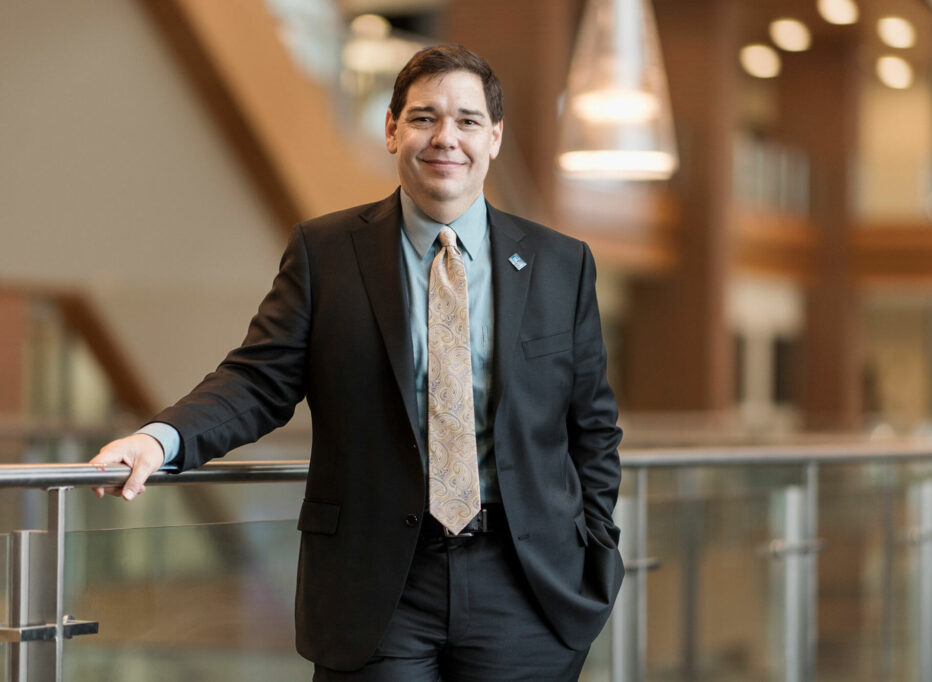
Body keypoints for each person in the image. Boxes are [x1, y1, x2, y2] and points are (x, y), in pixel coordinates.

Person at [90, 44, 623, 681]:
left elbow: (591, 426)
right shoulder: (327, 251)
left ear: (495, 137)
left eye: (468, 121)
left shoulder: (562, 265)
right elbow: (259, 380)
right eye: (424, 118)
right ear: (392, 128)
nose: (445, 138)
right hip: (376, 584)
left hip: (527, 583)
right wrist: (161, 439)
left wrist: (597, 546)